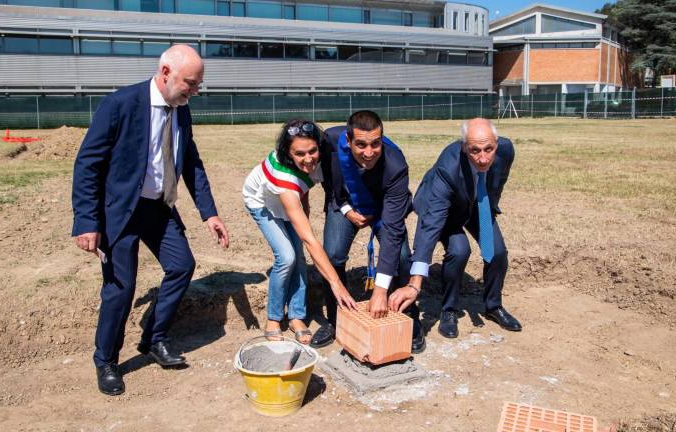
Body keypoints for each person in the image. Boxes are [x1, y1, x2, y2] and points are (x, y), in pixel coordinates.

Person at [71, 45, 230, 396]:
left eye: (198, 84)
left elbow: (191, 162)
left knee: (181, 265)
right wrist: (86, 220)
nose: (195, 91)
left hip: (159, 207)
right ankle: (106, 360)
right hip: (121, 212)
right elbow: (88, 165)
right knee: (121, 288)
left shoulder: (181, 110)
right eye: (190, 83)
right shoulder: (120, 105)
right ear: (165, 73)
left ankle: (154, 339)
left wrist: (210, 213)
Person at [391, 118, 520, 340]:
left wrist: (491, 207)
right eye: (475, 150)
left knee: (496, 252)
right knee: (460, 251)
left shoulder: (506, 150)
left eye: (489, 149)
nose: (483, 158)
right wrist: (415, 282)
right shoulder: (448, 168)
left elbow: (497, 181)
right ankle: (449, 310)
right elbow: (430, 226)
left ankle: (493, 306)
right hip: (443, 209)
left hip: (477, 204)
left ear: (496, 144)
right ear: (464, 147)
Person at [310, 110, 425, 354]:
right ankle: (335, 319)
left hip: (384, 208)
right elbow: (327, 179)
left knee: (402, 255)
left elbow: (393, 231)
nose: (369, 152)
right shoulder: (329, 141)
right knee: (332, 255)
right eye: (361, 144)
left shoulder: (396, 165)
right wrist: (345, 207)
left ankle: (409, 315)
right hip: (346, 204)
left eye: (375, 144)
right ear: (348, 140)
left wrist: (380, 290)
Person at [242, 120, 357, 344]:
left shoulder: (321, 159)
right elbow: (308, 238)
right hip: (262, 203)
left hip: (290, 201)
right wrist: (336, 283)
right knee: (286, 257)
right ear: (288, 152)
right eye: (300, 153)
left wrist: (304, 210)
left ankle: (296, 316)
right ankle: (274, 318)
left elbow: (304, 188)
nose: (308, 159)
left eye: (312, 150)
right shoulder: (284, 177)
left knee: (299, 258)